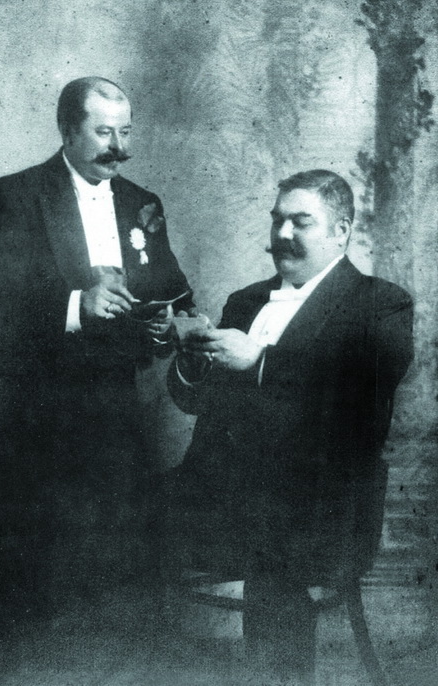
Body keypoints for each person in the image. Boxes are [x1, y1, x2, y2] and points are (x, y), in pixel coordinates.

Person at [0, 76, 195, 641]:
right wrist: (76, 304)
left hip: (121, 407)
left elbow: (172, 288)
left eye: (125, 132)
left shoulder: (142, 203)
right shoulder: (14, 195)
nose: (118, 148)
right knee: (37, 564)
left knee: (114, 561)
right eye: (103, 132)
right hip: (35, 409)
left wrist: (171, 319)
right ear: (68, 131)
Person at [166, 170, 413, 684]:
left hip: (319, 508)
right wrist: (191, 358)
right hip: (217, 497)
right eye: (277, 220)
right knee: (103, 524)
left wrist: (260, 361)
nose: (282, 234)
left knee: (273, 557)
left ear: (341, 231)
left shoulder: (381, 303)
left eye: (301, 222)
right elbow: (193, 401)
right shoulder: (245, 300)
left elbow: (358, 399)